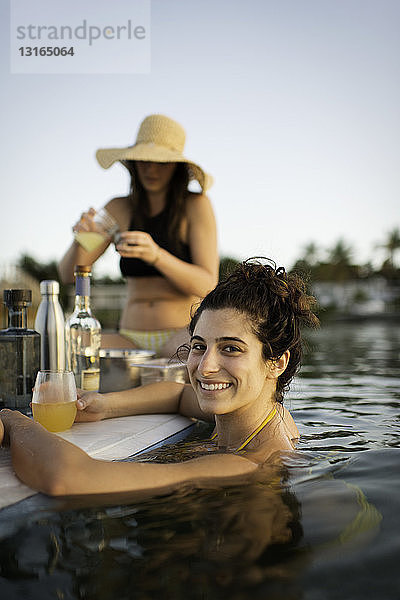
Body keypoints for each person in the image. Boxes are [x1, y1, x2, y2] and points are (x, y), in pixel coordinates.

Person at [0, 258, 319, 498]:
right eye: (199, 346)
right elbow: (179, 396)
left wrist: (13, 420)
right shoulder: (259, 412)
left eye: (231, 349)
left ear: (276, 362)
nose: (205, 367)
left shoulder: (251, 462)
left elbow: (68, 479)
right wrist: (105, 405)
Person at [58, 114, 219, 356]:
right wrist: (80, 240)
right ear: (133, 163)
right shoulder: (118, 208)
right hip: (129, 338)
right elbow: (68, 274)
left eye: (160, 162)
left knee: (181, 356)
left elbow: (208, 284)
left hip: (181, 334)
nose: (150, 169)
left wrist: (157, 256)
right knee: (69, 346)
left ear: (176, 167)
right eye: (143, 160)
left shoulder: (196, 205)